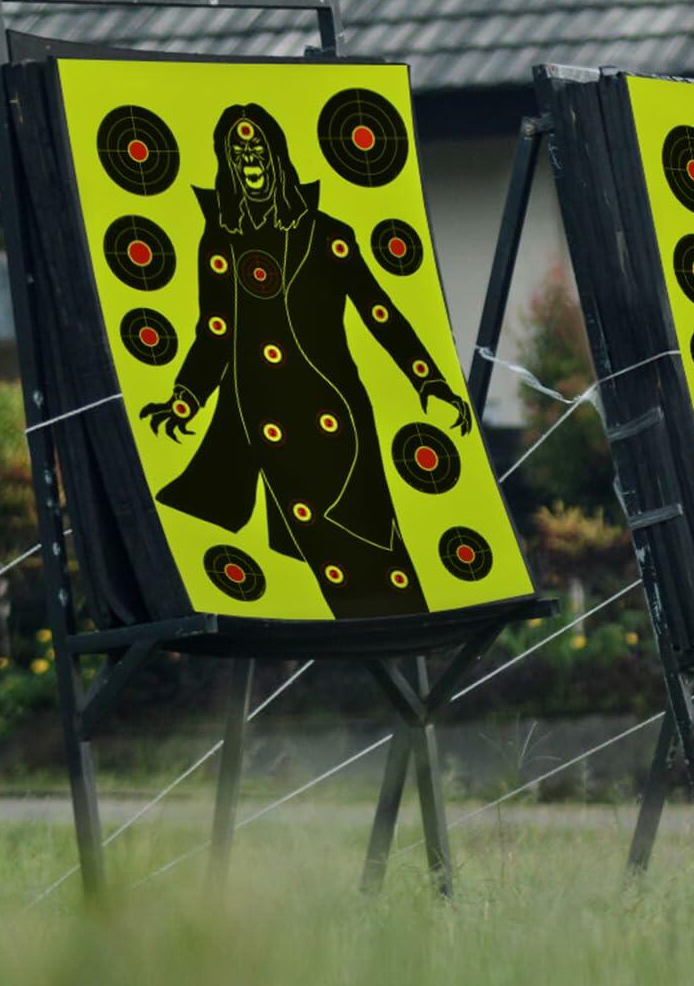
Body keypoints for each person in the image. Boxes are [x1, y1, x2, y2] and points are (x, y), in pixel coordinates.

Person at [140, 105, 470, 616]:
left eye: (257, 147)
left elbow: (379, 311)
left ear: (276, 155)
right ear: (227, 162)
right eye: (237, 150)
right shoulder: (221, 238)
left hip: (334, 413)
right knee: (317, 549)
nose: (249, 158)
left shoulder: (325, 233)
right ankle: (348, 636)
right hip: (264, 417)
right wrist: (184, 399)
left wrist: (428, 381)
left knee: (370, 537)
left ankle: (408, 630)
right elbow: (215, 331)